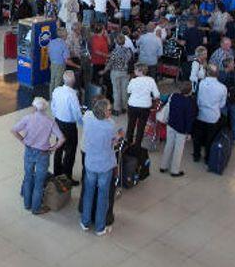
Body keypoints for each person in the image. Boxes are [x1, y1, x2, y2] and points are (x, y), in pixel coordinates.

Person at [11, 97, 64, 215]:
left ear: (35, 107)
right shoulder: (50, 122)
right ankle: (36, 208)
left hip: (29, 151)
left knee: (28, 176)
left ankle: (27, 203)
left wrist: (23, 141)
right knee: (39, 183)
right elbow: (61, 139)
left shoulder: (28, 118)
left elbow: (14, 130)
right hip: (43, 154)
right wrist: (52, 148)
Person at [80, 98, 121, 236]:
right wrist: (120, 136)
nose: (111, 111)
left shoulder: (88, 117)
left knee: (88, 193)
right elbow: (113, 143)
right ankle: (99, 227)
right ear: (103, 112)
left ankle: (85, 221)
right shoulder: (110, 125)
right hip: (105, 165)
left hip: (90, 162)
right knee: (103, 197)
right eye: (109, 109)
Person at [50, 70, 82, 185]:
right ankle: (67, 176)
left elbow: (52, 106)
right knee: (70, 150)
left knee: (59, 147)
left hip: (58, 122)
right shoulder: (72, 95)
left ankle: (56, 173)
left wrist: (57, 115)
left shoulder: (56, 90)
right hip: (69, 125)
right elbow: (77, 112)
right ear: (73, 81)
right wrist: (81, 123)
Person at [160, 83, 197, 177]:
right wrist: (189, 132)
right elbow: (189, 119)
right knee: (178, 149)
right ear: (190, 91)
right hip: (181, 129)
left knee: (169, 144)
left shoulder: (174, 96)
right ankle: (174, 170)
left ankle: (163, 166)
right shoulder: (189, 102)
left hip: (171, 124)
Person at [193, 64, 227, 163]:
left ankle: (196, 155)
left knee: (197, 136)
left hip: (200, 114)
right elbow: (222, 105)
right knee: (210, 139)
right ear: (218, 74)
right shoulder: (223, 88)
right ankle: (208, 158)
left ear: (207, 73)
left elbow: (198, 98)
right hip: (213, 117)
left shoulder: (202, 83)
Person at [125, 63, 160, 146]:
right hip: (145, 106)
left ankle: (128, 142)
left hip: (133, 105)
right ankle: (137, 144)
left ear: (140, 71)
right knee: (141, 126)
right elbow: (157, 95)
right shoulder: (151, 80)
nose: (134, 71)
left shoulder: (133, 80)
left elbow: (128, 91)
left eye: (135, 69)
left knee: (131, 124)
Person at [102, 34, 132, 115]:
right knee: (124, 90)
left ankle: (116, 109)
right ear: (124, 41)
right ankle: (124, 107)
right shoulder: (128, 51)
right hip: (125, 72)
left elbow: (110, 63)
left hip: (115, 72)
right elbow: (129, 61)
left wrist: (104, 70)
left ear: (116, 41)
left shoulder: (114, 51)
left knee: (116, 91)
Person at [218, 58, 235, 141]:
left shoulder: (220, 74)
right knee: (234, 119)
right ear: (228, 65)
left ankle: (223, 136)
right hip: (234, 99)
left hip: (222, 100)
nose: (234, 65)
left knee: (223, 119)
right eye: (232, 63)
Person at [48, 29, 78, 94]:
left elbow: (49, 53)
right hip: (60, 66)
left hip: (53, 64)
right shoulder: (64, 45)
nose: (67, 35)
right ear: (64, 36)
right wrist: (77, 66)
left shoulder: (51, 42)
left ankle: (51, 98)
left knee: (52, 81)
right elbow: (67, 61)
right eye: (66, 34)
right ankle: (56, 99)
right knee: (58, 83)